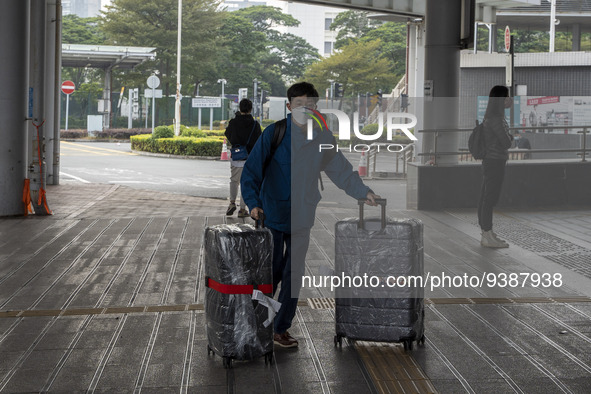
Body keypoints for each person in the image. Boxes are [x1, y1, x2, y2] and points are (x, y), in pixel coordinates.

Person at [241, 82, 380, 348]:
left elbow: (341, 170)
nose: (305, 110)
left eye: (310, 105)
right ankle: (259, 318)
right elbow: (251, 172)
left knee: (294, 272)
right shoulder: (275, 133)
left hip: (302, 215)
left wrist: (364, 193)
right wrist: (252, 203)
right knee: (273, 271)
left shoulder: (322, 138)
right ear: (290, 106)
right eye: (300, 105)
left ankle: (280, 328)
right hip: (271, 214)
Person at [477, 85, 514, 248]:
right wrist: (510, 136)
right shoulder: (495, 119)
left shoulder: (494, 116)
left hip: (492, 161)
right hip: (494, 161)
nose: (509, 100)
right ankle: (486, 234)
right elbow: (506, 141)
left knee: (487, 197)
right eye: (506, 97)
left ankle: (488, 232)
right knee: (489, 198)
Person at [224, 98, 261, 217]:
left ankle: (232, 203)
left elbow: (228, 134)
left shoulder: (233, 122)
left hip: (236, 155)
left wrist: (237, 143)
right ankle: (243, 209)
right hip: (250, 157)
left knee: (234, 180)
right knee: (246, 182)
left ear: (240, 108)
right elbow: (259, 140)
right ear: (250, 109)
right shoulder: (255, 124)